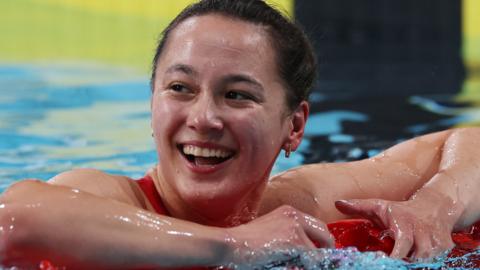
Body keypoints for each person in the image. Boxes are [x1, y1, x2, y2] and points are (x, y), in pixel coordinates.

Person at [1, 0, 479, 269]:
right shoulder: (119, 200)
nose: (203, 117)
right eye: (179, 88)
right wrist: (236, 246)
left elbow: (469, 141)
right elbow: (13, 220)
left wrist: (435, 205)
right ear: (151, 107)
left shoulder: (305, 204)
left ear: (294, 126)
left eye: (237, 95)